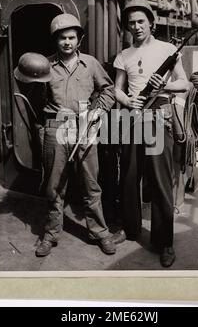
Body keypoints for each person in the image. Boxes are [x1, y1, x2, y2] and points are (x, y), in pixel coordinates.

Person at [113, 0, 189, 267]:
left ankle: (164, 242)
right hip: (133, 116)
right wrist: (127, 101)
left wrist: (165, 87)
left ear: (151, 23)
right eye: (131, 22)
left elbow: (185, 83)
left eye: (140, 21)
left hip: (159, 116)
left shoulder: (167, 49)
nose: (136, 26)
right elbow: (117, 89)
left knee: (159, 180)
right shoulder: (123, 55)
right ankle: (130, 229)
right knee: (129, 176)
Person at [34, 13, 116, 257]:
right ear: (55, 40)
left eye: (71, 37)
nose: (67, 42)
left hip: (85, 128)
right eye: (62, 38)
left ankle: (99, 232)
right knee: (54, 186)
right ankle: (50, 234)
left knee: (91, 185)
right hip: (56, 129)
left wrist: (98, 111)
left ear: (79, 39)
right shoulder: (44, 65)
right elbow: (35, 97)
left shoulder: (90, 64)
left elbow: (108, 90)